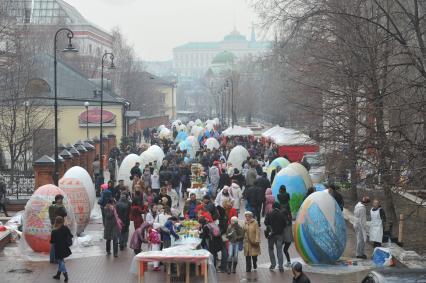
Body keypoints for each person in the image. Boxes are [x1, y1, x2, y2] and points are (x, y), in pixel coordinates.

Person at [50, 216, 73, 282]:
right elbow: (71, 236)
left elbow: (52, 241)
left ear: (56, 222)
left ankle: (66, 275)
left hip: (58, 248)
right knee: (61, 261)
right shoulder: (65, 228)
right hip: (65, 247)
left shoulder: (54, 231)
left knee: (61, 261)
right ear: (62, 221)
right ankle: (58, 275)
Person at [264, 203, 286, 271]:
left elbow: (265, 223)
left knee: (271, 249)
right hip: (279, 235)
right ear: (278, 207)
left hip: (271, 235)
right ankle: (280, 266)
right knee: (279, 250)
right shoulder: (282, 214)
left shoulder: (269, 213)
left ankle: (273, 265)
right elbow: (285, 224)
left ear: (273, 207)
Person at [49, 194, 67, 263]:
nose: (62, 201)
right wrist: (62, 206)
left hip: (53, 225)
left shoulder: (51, 206)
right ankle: (58, 259)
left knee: (54, 243)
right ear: (57, 200)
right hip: (59, 226)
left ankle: (52, 259)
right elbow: (65, 213)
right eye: (61, 199)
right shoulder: (60, 207)